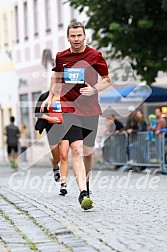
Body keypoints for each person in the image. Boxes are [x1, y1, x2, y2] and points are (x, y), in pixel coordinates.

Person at [40, 21, 111, 210]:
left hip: (91, 110)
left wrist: (94, 89)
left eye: (79, 35)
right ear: (68, 37)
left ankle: (86, 182)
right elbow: (56, 76)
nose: (76, 39)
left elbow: (107, 80)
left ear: (84, 36)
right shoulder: (61, 57)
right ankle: (82, 193)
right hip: (69, 108)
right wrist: (50, 96)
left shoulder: (94, 55)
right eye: (73, 36)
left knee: (88, 151)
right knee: (76, 149)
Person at [35, 73, 70, 196]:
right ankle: (55, 166)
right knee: (57, 158)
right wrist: (50, 118)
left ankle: (63, 184)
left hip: (65, 129)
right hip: (51, 129)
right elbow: (37, 114)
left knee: (64, 155)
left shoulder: (66, 97)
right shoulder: (45, 97)